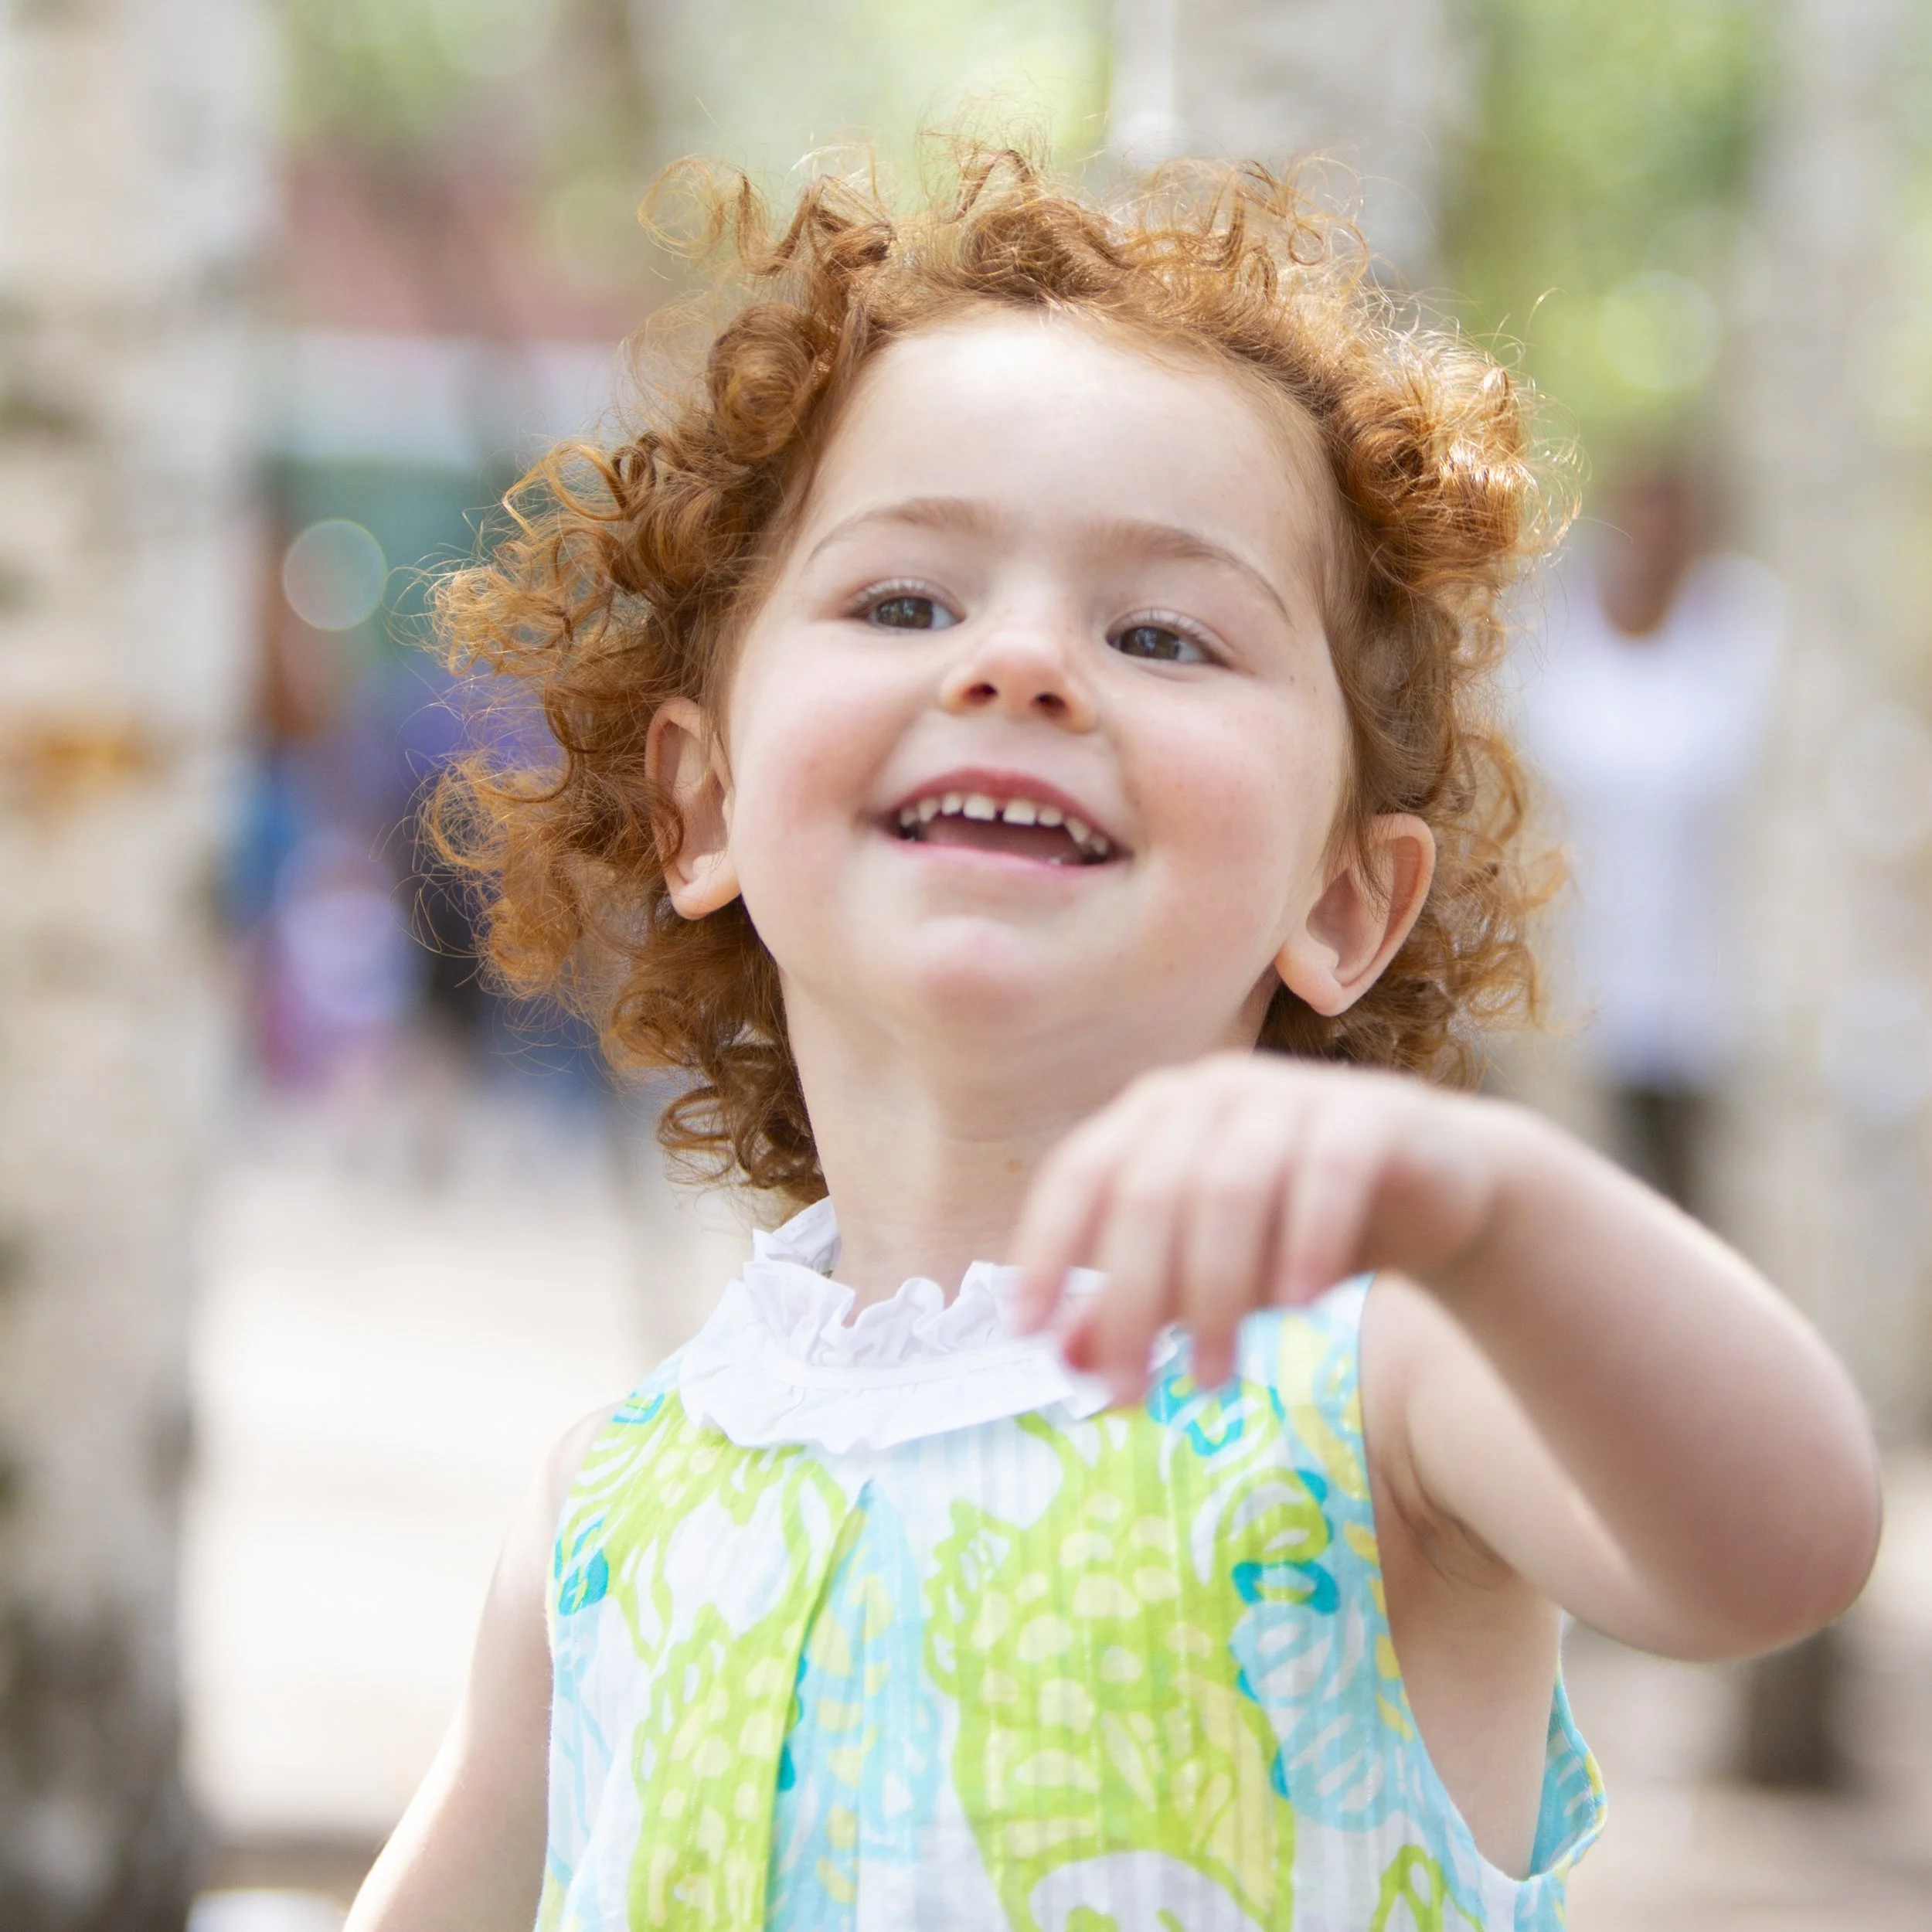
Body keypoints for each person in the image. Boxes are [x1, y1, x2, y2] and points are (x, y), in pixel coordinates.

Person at [345, 151, 1879, 1932]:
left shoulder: (1370, 1382)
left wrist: (1495, 1214)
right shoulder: (611, 1515)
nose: (1018, 663)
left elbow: (1780, 1547)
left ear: (1342, 904)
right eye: (905, 601)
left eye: (1161, 632)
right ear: (701, 803)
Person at [1519, 465, 1784, 1219]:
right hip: (1561, 978)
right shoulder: (1557, 629)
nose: (1648, 543)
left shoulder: (1733, 633)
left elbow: (1708, 758)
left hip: (1690, 983)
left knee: (1676, 1193)